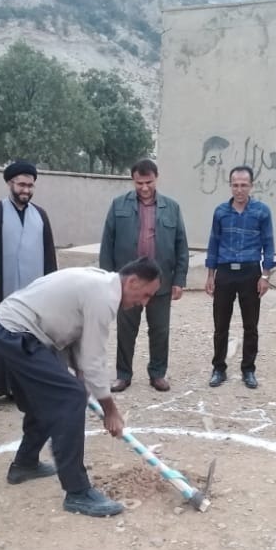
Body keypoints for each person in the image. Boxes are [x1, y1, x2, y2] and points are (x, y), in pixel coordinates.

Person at [0, 259, 162, 517]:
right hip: (15, 331)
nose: (145, 302)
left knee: (54, 395)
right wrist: (109, 408)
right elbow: (94, 358)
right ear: (132, 281)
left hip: (12, 328)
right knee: (69, 397)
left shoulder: (102, 284)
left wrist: (80, 376)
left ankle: (25, 464)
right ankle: (77, 492)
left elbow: (77, 337)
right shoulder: (103, 296)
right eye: (146, 294)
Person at [0, 160, 56, 412]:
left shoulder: (41, 216)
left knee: (27, 340)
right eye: (21, 184)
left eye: (30, 185)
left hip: (32, 296)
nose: (26, 189)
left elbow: (49, 256)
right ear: (10, 183)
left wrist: (51, 289)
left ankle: (20, 388)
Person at [100, 158, 189, 394]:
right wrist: (108, 279)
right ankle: (123, 375)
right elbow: (107, 245)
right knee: (126, 329)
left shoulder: (172, 207)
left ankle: (157, 374)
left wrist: (179, 280)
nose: (144, 187)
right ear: (133, 180)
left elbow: (181, 245)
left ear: (156, 178)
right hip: (128, 283)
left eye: (148, 182)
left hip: (160, 283)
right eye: (139, 183)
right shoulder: (118, 205)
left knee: (160, 330)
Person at [205, 166, 276, 389]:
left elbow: (269, 245)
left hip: (250, 273)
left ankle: (248, 370)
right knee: (221, 325)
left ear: (251, 186)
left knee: (250, 325)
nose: (239, 190)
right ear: (230, 186)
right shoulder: (220, 212)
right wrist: (211, 275)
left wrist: (265, 275)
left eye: (244, 185)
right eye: (235, 185)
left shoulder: (261, 212)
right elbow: (213, 244)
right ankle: (219, 368)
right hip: (225, 273)